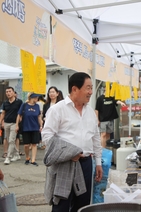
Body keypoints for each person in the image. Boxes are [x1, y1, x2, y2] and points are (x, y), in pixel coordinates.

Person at [42, 72, 103, 211]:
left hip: (86, 164)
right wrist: (69, 153)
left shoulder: (91, 112)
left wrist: (98, 162)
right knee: (61, 206)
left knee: (83, 205)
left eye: (91, 88)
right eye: (88, 88)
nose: (91, 92)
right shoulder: (57, 109)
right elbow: (46, 136)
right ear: (75, 89)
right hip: (64, 164)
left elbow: (95, 138)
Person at [15, 92, 43, 166]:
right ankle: (27, 157)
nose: (37, 99)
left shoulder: (37, 106)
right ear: (31, 98)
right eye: (35, 97)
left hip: (35, 128)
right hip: (26, 127)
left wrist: (41, 125)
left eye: (37, 97)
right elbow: (19, 115)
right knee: (26, 145)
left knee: (34, 144)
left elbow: (39, 116)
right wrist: (17, 125)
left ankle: (33, 160)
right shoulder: (24, 105)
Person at [0, 87, 23, 165]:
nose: (8, 93)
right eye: (6, 92)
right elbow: (3, 113)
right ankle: (16, 154)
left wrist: (19, 122)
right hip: (6, 123)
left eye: (9, 91)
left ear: (13, 93)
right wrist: (0, 122)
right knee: (10, 140)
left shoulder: (19, 102)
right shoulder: (5, 102)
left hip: (14, 123)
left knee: (11, 140)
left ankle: (8, 157)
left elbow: (21, 113)